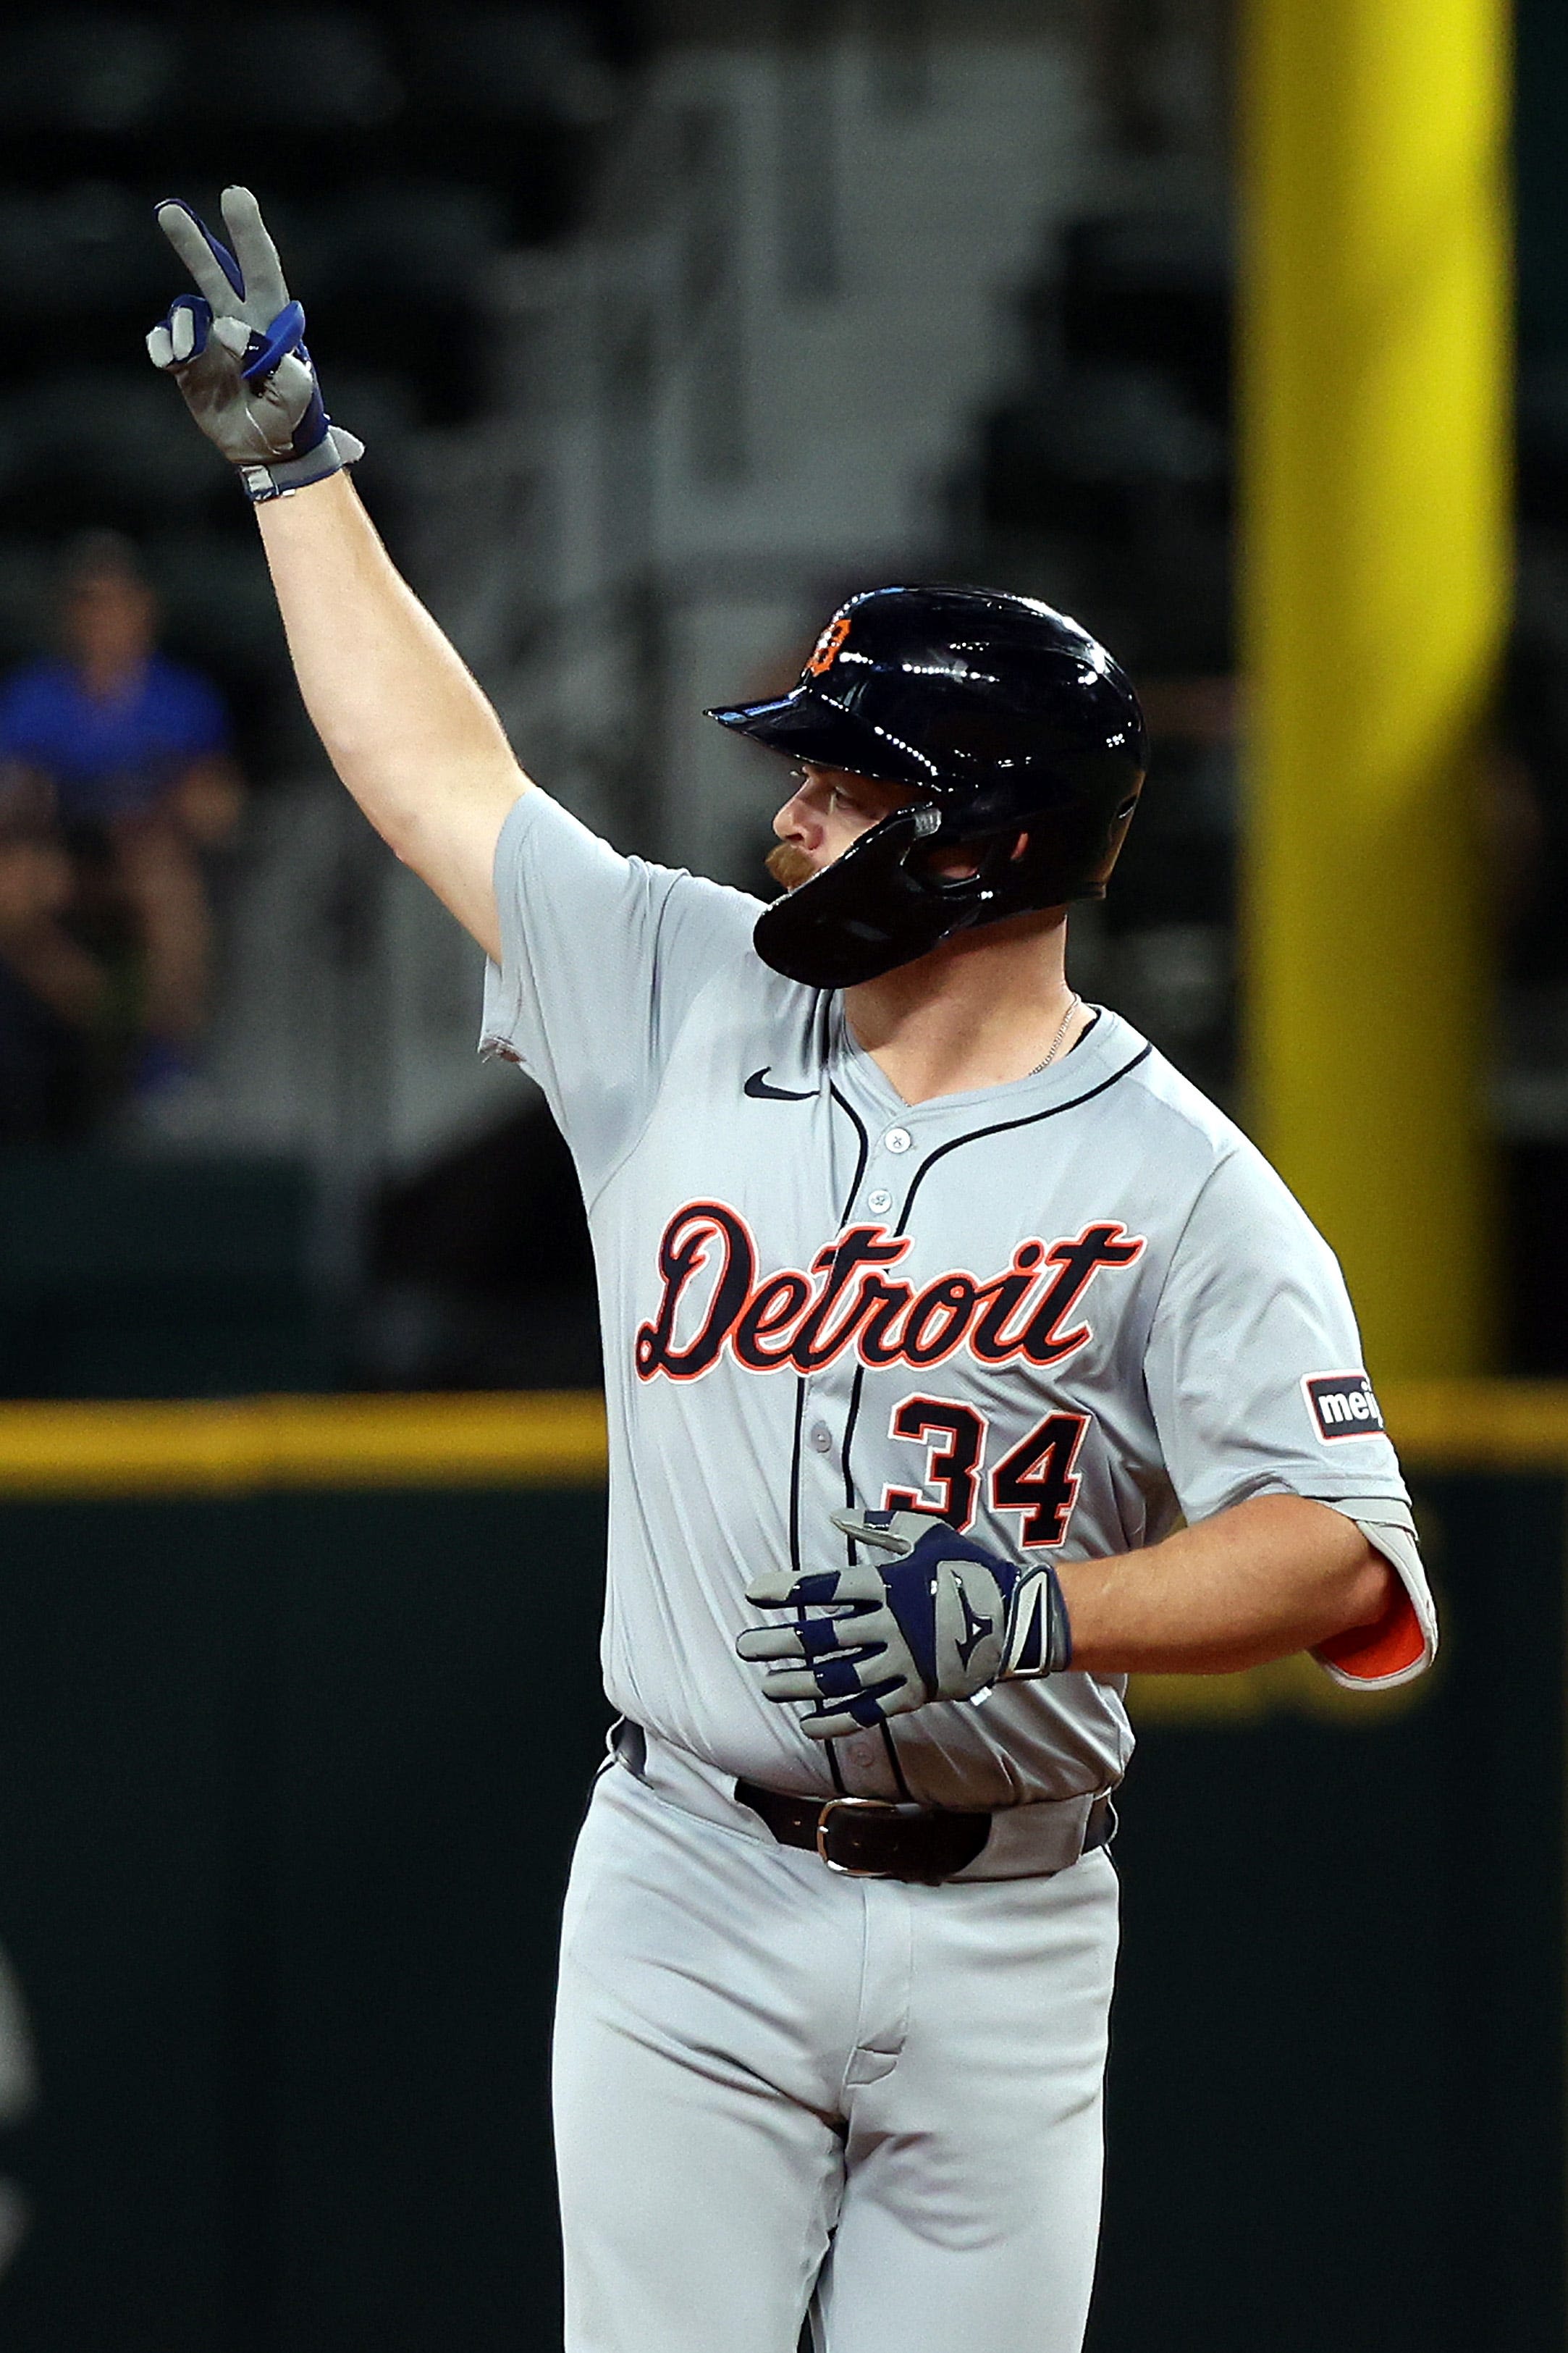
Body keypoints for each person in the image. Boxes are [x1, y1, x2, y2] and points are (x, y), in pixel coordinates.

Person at [148, 190, 1436, 2353]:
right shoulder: (671, 984)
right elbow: (433, 776)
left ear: (989, 844)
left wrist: (1047, 1610)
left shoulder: (1178, 1185)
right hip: (684, 1875)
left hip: (1010, 1928)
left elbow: (1334, 1549)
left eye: (847, 789)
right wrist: (298, 478)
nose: (786, 822)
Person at [0, 533, 243, 1109]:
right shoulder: (36, 698)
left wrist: (183, 807)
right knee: (12, 889)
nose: (103, 618)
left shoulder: (180, 699)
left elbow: (219, 809)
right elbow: (15, 798)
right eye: (89, 603)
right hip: (64, 860)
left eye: (116, 602)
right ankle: (105, 1018)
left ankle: (163, 1063)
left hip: (147, 862)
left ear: (143, 610)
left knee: (166, 885)